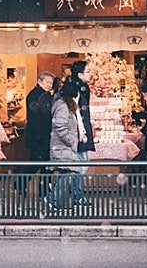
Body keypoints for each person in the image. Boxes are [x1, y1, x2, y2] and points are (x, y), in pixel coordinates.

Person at [60, 60, 94, 206]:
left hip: (79, 133)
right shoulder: (74, 90)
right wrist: (81, 132)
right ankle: (60, 197)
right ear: (80, 74)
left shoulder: (79, 87)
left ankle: (74, 195)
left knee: (77, 167)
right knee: (77, 167)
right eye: (88, 71)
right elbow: (74, 114)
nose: (91, 74)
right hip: (77, 134)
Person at [45, 82, 81, 210]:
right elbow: (60, 126)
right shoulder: (63, 108)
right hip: (62, 147)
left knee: (65, 174)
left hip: (62, 147)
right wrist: (70, 141)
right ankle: (55, 200)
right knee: (66, 174)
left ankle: (58, 200)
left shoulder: (63, 106)